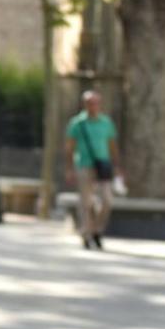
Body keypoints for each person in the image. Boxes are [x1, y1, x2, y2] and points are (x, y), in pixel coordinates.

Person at [64, 90, 121, 250]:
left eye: (95, 103)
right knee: (86, 201)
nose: (93, 106)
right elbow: (69, 148)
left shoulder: (106, 123)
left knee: (107, 200)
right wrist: (69, 168)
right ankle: (86, 234)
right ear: (84, 104)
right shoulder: (77, 123)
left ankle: (97, 229)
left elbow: (112, 145)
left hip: (103, 165)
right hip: (84, 165)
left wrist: (117, 166)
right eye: (90, 103)